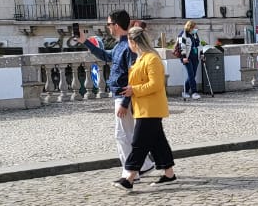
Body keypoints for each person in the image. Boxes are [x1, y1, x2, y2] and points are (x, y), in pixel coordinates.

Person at [81, 11, 153, 179]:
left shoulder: (128, 46)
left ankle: (130, 172)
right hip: (121, 94)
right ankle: (144, 166)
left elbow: (132, 76)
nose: (108, 28)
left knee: (122, 135)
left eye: (109, 24)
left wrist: (125, 102)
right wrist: (85, 42)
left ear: (116, 25)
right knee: (128, 134)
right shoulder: (121, 44)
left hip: (123, 95)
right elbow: (106, 56)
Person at [116, 27, 177, 189]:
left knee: (139, 143)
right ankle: (169, 174)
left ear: (134, 42)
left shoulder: (151, 59)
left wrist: (134, 90)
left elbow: (156, 84)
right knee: (157, 142)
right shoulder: (141, 59)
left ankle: (129, 178)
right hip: (144, 107)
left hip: (151, 108)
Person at [176, 20, 202, 100]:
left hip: (195, 57)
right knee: (191, 74)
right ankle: (194, 92)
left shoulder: (195, 34)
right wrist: (183, 57)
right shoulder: (183, 35)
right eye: (194, 27)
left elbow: (199, 45)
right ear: (190, 27)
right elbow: (181, 47)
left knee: (193, 75)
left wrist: (201, 54)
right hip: (187, 57)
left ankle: (185, 91)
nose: (196, 29)